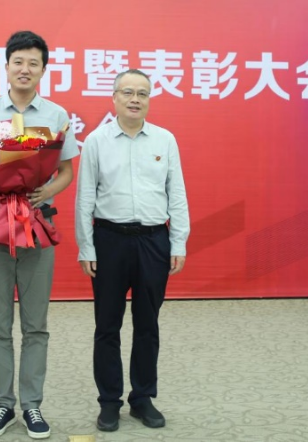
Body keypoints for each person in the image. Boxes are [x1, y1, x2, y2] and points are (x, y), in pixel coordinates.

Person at [0, 31, 79, 440]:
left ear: (43, 69)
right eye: (18, 62)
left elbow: (66, 170)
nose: (25, 69)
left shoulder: (57, 115)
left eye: (33, 63)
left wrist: (47, 190)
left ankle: (32, 405)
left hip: (37, 228)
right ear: (6, 66)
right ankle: (2, 405)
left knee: (35, 324)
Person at [75, 69, 190, 432]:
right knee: (107, 325)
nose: (135, 99)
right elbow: (85, 198)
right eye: (127, 92)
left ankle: (142, 398)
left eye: (142, 93)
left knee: (147, 323)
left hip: (154, 241)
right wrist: (86, 247)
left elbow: (177, 193)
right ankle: (109, 402)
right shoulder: (96, 141)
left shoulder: (165, 140)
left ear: (149, 99)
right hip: (109, 240)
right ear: (114, 98)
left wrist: (178, 241)